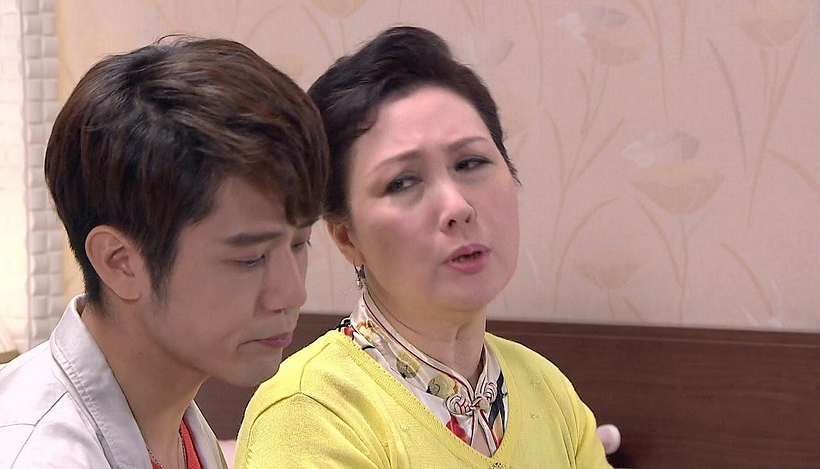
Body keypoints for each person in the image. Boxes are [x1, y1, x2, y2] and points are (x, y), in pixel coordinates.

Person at [234, 26, 611, 468]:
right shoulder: (312, 415)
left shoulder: (546, 389)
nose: (457, 207)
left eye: (471, 162)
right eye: (402, 182)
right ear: (346, 236)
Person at [0, 36, 328, 468]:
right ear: (120, 262)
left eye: (299, 243)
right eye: (249, 258)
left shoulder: (171, 418)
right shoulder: (40, 456)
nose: (292, 293)